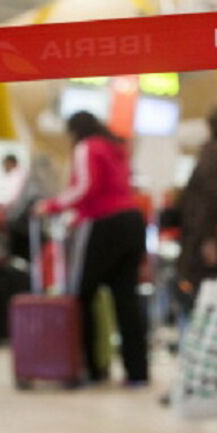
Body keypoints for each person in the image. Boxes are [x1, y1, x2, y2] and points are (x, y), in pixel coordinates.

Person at [36, 112, 148, 386]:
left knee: (81, 294)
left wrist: (50, 206)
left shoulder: (87, 147)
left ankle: (91, 368)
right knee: (126, 299)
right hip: (132, 222)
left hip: (105, 225)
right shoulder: (117, 148)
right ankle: (137, 372)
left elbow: (86, 187)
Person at [176, 107, 217, 297]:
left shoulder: (214, 152)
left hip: (208, 236)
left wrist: (208, 237)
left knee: (204, 293)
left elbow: (211, 197)